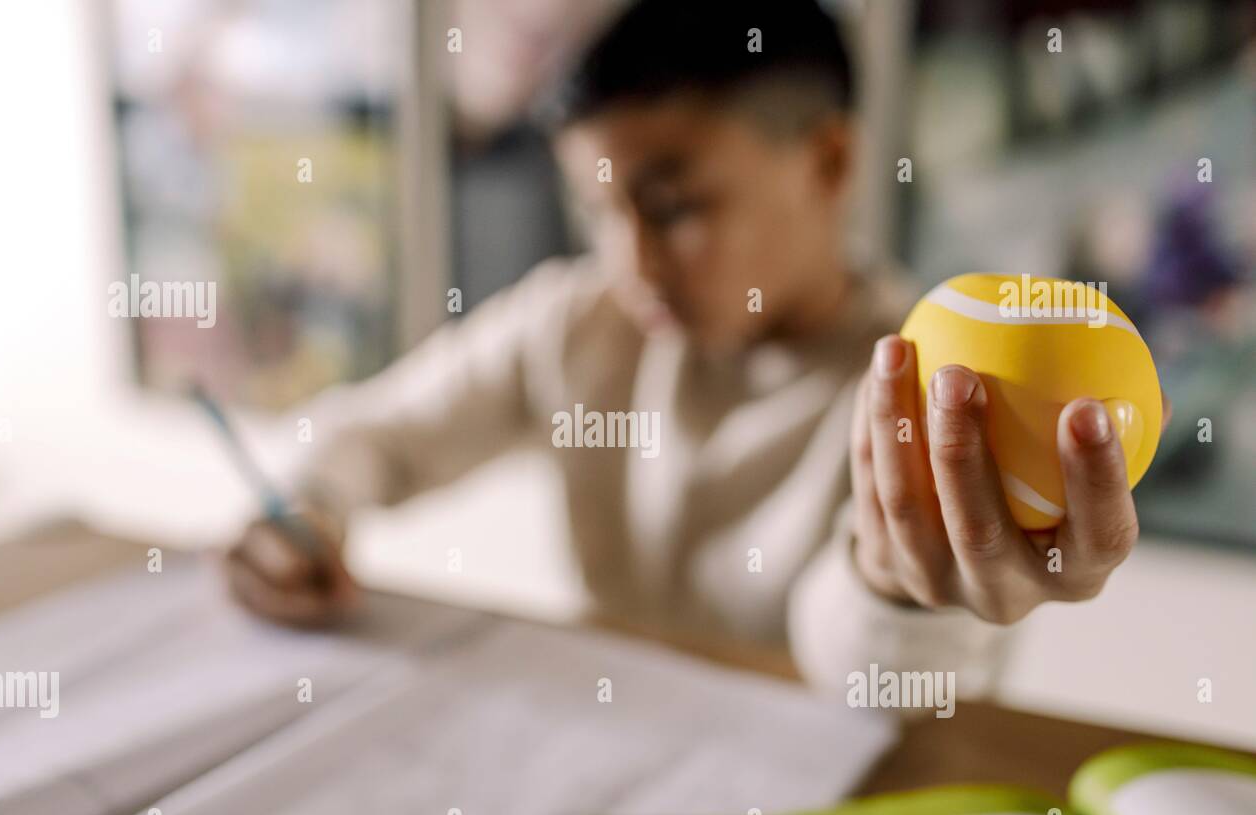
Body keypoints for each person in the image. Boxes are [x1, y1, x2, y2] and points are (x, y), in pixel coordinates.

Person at [222, 0, 1153, 697]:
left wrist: (891, 587)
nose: (632, 260)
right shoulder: (579, 322)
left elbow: (878, 688)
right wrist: (306, 508)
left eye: (676, 207)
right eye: (597, 209)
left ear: (828, 162)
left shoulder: (934, 390)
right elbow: (377, 432)